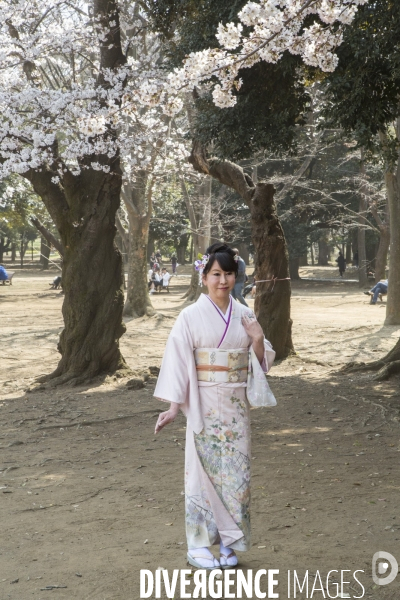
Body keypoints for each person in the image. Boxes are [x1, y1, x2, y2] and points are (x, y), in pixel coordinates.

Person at [154, 242, 276, 570]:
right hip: (203, 401)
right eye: (216, 274)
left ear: (236, 277)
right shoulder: (190, 316)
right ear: (204, 277)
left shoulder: (244, 314)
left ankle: (228, 541)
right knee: (201, 472)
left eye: (229, 274)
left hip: (236, 405)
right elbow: (179, 362)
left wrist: (257, 340)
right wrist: (173, 407)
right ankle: (197, 543)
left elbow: (261, 362)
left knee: (235, 472)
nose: (223, 281)